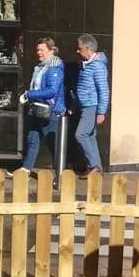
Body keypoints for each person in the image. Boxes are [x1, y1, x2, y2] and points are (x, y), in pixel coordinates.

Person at [19, 37, 65, 175]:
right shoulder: (41, 66)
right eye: (37, 49)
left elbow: (52, 91)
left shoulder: (54, 67)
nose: (39, 52)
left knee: (53, 145)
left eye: (42, 50)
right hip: (36, 108)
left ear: (51, 50)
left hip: (49, 110)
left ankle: (61, 174)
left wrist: (30, 94)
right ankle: (25, 170)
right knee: (32, 140)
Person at [74, 33, 110, 175]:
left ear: (87, 48)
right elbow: (83, 88)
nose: (77, 51)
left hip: (91, 106)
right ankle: (96, 167)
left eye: (79, 49)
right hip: (86, 106)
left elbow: (104, 90)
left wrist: (101, 112)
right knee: (89, 136)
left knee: (80, 135)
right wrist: (74, 105)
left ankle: (94, 165)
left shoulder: (98, 67)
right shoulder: (88, 64)